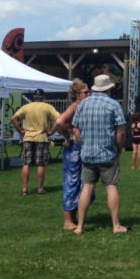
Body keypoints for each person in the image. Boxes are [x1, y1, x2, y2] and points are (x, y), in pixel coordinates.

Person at [72, 74, 129, 235]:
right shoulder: (112, 105)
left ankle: (80, 226)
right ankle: (116, 225)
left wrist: (83, 145)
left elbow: (75, 128)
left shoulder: (82, 104)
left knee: (86, 188)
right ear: (109, 88)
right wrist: (118, 149)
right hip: (107, 153)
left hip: (87, 154)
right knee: (111, 188)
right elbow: (121, 132)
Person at [54, 79, 93, 230]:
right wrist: (68, 138)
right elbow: (59, 122)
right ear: (77, 95)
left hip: (79, 147)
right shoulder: (75, 106)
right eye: (86, 92)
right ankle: (68, 221)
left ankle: (74, 217)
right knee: (72, 181)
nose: (89, 94)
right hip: (74, 148)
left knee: (81, 183)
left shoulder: (81, 106)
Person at [11, 88, 59, 195]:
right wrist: (51, 131)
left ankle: (24, 189)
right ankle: (40, 188)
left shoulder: (26, 107)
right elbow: (59, 120)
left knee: (26, 163)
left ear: (34, 97)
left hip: (28, 137)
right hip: (41, 137)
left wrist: (20, 130)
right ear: (43, 97)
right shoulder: (48, 107)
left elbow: (13, 118)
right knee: (40, 164)